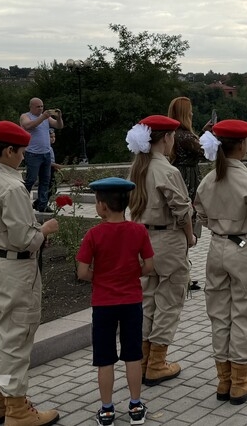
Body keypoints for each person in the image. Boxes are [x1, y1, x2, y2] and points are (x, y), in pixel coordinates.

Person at [0, 120, 61, 426]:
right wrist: (44, 230)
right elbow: (25, 238)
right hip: (16, 266)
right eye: (21, 151)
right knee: (17, 337)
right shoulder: (12, 186)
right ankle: (18, 410)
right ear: (9, 151)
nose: (23, 156)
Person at [193, 119, 247, 405]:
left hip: (216, 247)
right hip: (244, 245)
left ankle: (223, 379)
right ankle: (240, 382)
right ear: (242, 145)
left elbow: (200, 213)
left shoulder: (208, 179)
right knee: (244, 311)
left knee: (218, 312)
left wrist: (219, 230)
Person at [76, 177, 155, 426]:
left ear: (102, 206)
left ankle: (107, 410)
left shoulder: (94, 234)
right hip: (131, 301)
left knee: (105, 358)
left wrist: (99, 279)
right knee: (133, 355)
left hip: (103, 303)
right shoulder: (139, 230)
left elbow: (81, 271)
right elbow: (150, 266)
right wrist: (133, 275)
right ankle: (135, 406)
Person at [126, 114, 196, 387]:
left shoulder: (136, 168)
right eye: (171, 138)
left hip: (142, 240)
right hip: (167, 241)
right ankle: (157, 363)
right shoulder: (168, 171)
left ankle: (143, 361)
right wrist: (189, 236)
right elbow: (181, 210)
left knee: (147, 300)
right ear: (166, 138)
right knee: (170, 301)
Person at [167, 96, 215, 291]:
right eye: (190, 110)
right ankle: (181, 276)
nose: (193, 113)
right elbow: (206, 151)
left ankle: (183, 274)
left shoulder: (174, 134)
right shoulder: (185, 136)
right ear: (184, 113)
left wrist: (204, 131)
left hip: (182, 175)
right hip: (188, 180)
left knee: (181, 225)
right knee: (186, 222)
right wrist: (210, 134)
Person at [19, 98, 64, 212]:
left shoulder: (46, 118)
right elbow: (28, 126)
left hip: (46, 153)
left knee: (46, 181)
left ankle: (42, 205)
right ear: (31, 107)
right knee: (31, 179)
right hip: (33, 153)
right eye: (38, 107)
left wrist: (59, 118)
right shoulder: (26, 116)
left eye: (42, 106)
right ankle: (21, 203)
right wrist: (43, 117)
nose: (41, 108)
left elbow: (59, 126)